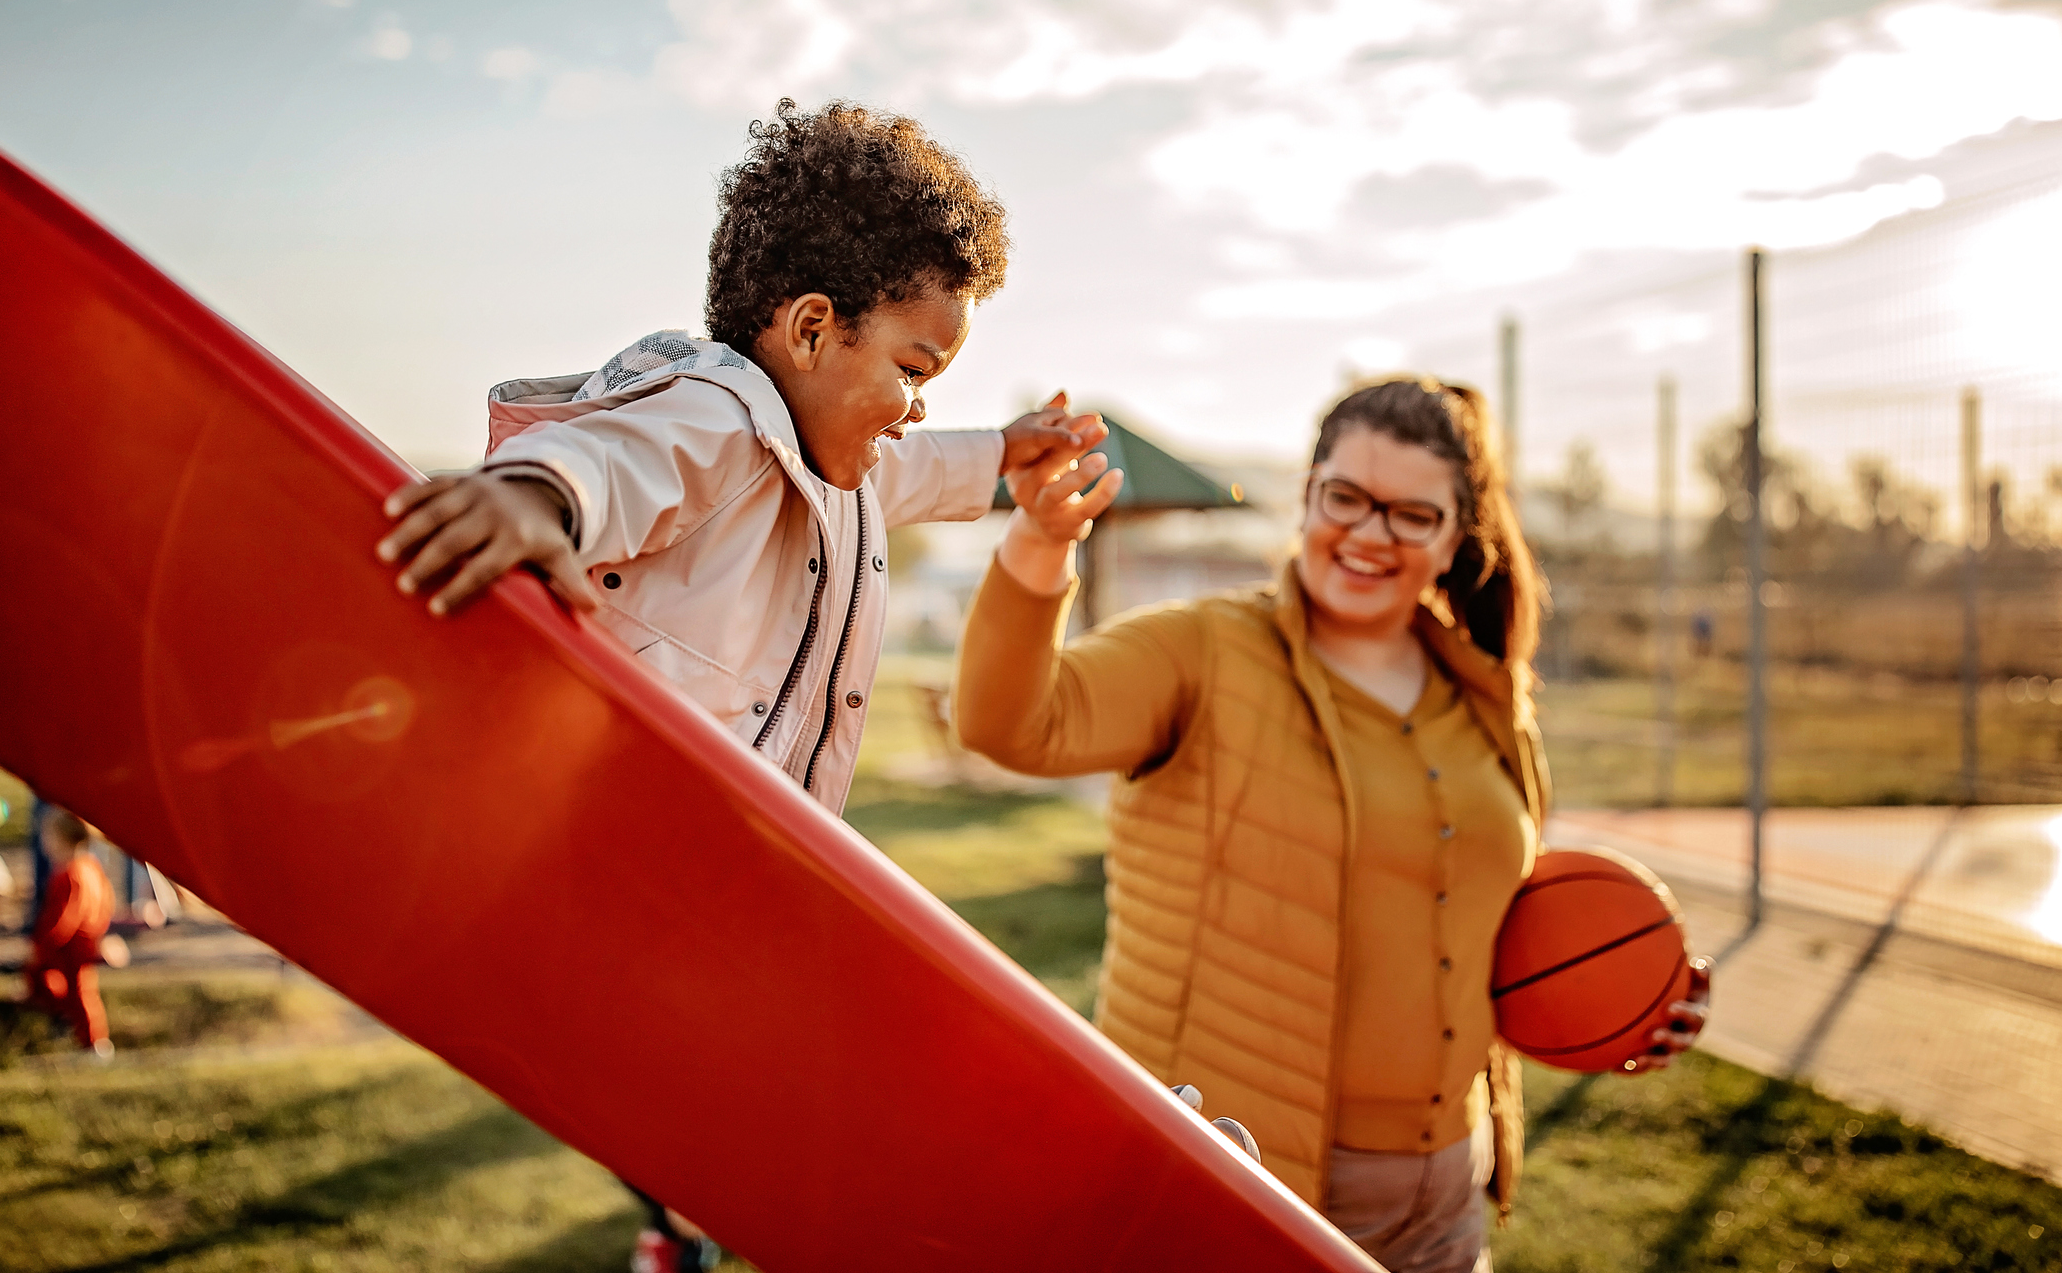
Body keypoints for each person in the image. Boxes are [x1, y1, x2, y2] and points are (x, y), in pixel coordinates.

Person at [375, 98, 1079, 1273]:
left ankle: (688, 1222)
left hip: (742, 879)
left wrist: (1005, 454)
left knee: (783, 1085)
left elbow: (913, 466)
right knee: (813, 1076)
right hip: (641, 871)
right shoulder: (724, 413)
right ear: (810, 330)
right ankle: (713, 1204)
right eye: (914, 367)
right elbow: (618, 458)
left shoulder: (839, 469)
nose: (918, 403)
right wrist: (530, 500)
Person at [953, 376, 1710, 1273]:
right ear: (1306, 495)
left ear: (1454, 536)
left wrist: (1621, 999)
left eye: (1411, 514)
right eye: (1344, 497)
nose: (1368, 533)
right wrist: (1041, 546)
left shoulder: (1482, 694)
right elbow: (1010, 722)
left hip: (1443, 1186)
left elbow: (1469, 926)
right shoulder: (1200, 650)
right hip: (1239, 1168)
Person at [24, 809, 115, 1059]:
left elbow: (62, 918)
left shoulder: (70, 874)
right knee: (66, 988)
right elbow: (107, 898)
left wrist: (42, 945)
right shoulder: (89, 866)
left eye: (46, 835)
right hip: (83, 938)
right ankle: (71, 1027)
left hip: (71, 944)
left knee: (78, 992)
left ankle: (95, 1045)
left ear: (60, 839)